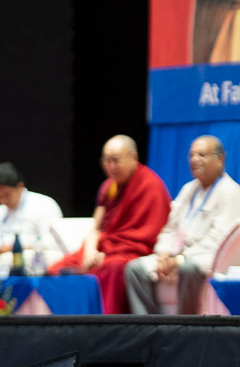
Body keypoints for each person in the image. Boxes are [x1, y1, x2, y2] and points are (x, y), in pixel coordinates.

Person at [48, 135, 172, 314]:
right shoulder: (108, 187)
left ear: (134, 158)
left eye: (116, 160)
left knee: (113, 268)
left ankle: (106, 322)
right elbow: (97, 227)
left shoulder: (151, 185)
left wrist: (103, 256)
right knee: (56, 269)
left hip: (132, 250)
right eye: (106, 160)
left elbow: (148, 235)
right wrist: (90, 252)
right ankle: (67, 318)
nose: (111, 166)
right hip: (106, 247)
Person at [125, 135, 240, 314]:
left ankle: (185, 327)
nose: (195, 160)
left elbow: (219, 242)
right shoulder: (188, 189)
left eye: (202, 155)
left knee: (188, 268)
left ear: (220, 159)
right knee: (134, 269)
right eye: (191, 155)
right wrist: (164, 254)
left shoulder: (231, 192)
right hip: (177, 255)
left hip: (205, 258)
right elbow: (170, 228)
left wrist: (178, 260)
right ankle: (150, 327)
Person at [0, 162, 63, 270]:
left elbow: (53, 243)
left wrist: (15, 248)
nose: (2, 200)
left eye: (6, 195)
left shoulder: (44, 204)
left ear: (20, 186)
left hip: (32, 265)